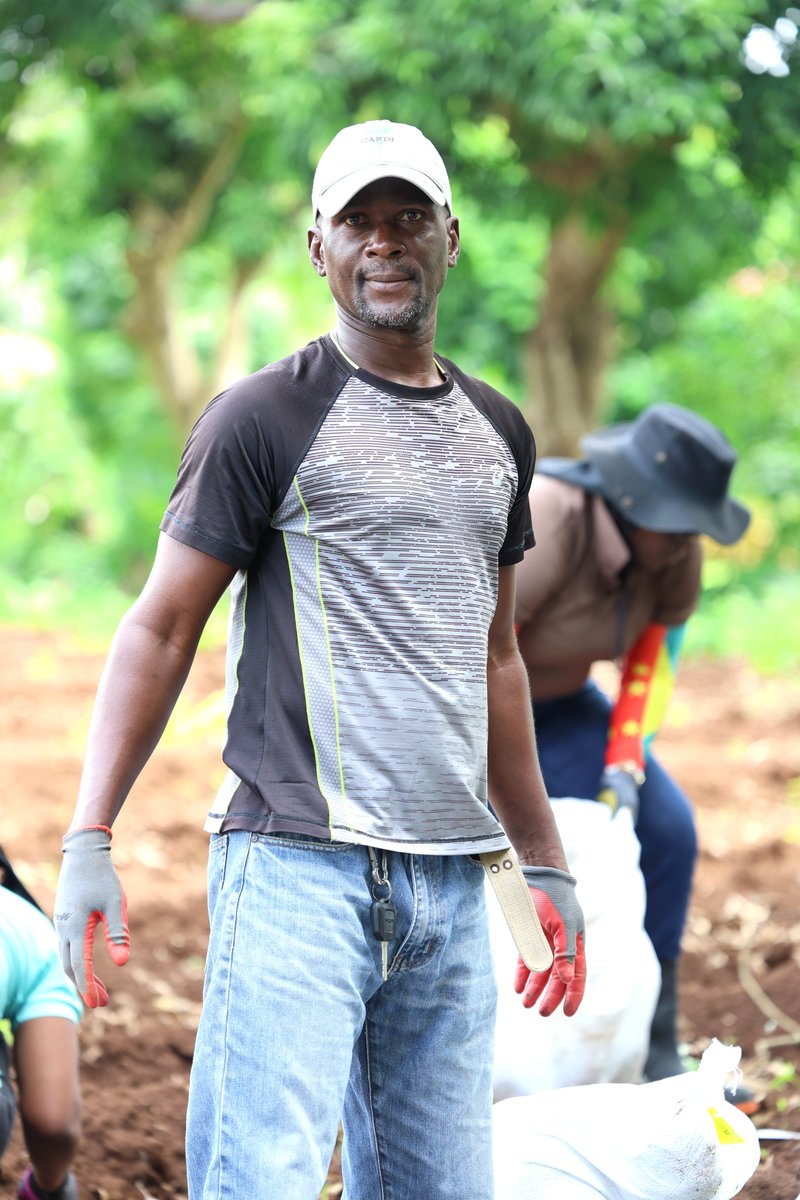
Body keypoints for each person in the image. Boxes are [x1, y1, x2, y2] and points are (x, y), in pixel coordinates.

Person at [52, 119, 586, 1199]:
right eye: (357, 222)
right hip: (298, 867)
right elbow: (160, 627)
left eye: (407, 219)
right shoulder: (262, 418)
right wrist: (88, 836)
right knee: (261, 1181)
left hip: (451, 881)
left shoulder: (499, 433)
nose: (383, 243)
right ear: (316, 246)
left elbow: (494, 660)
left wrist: (542, 860)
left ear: (449, 235)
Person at [513, 402, 754, 1107]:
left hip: (564, 707)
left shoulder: (675, 554)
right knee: (527, 845)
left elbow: (654, 656)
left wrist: (626, 758)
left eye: (694, 526)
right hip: (482, 709)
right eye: (673, 523)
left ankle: (655, 1043)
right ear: (628, 501)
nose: (685, 542)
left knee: (667, 828)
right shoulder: (551, 519)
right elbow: (478, 650)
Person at [0, 847, 82, 1200]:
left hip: (30, 954)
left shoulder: (29, 936)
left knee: (53, 1126)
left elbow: (56, 1125)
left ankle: (48, 1187)